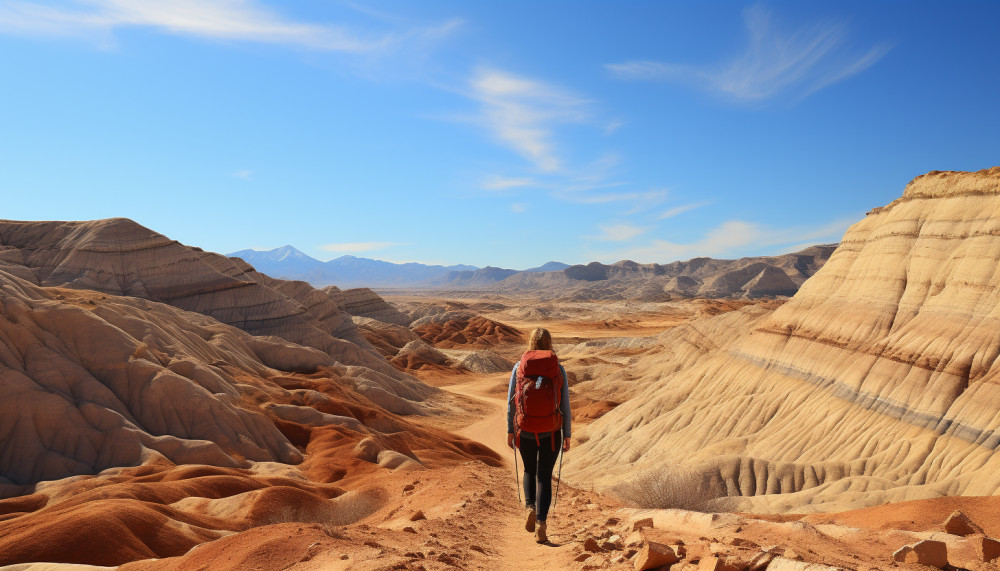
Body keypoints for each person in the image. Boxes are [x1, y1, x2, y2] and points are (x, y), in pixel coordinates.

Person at [506, 327, 571, 544]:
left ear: (530, 342)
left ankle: (530, 507)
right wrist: (568, 434)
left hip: (524, 430)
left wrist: (510, 430)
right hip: (551, 432)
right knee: (544, 476)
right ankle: (541, 523)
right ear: (550, 343)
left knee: (528, 470)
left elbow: (511, 404)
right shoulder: (558, 369)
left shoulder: (519, 367)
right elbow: (565, 406)